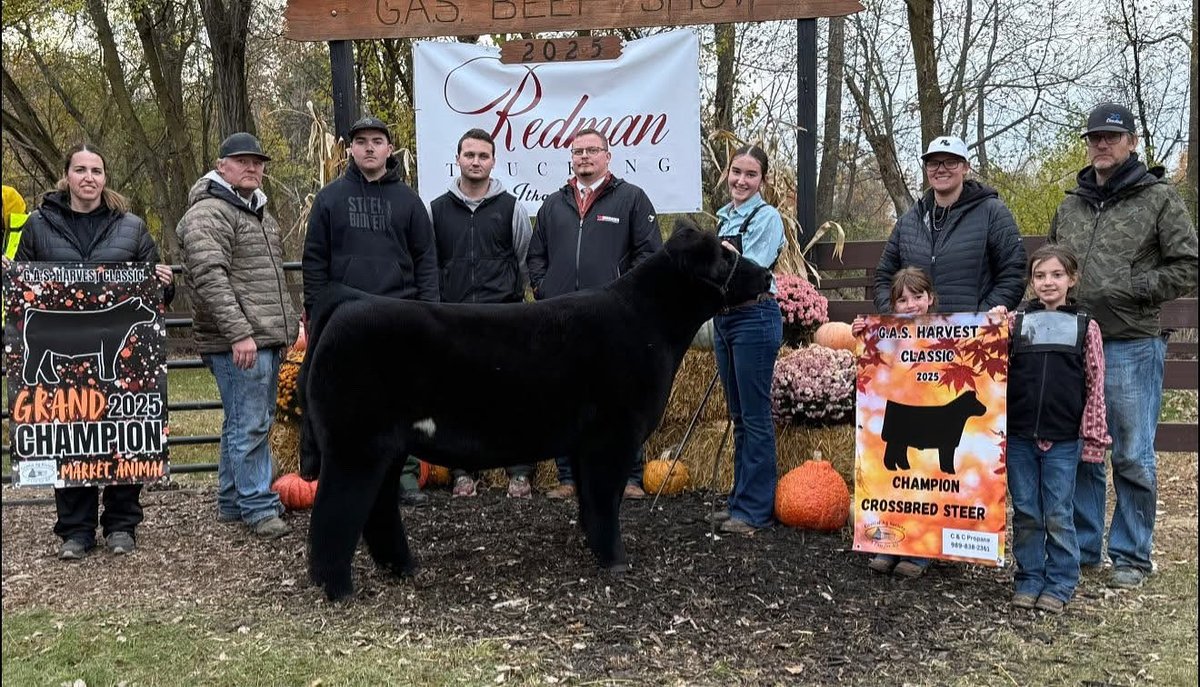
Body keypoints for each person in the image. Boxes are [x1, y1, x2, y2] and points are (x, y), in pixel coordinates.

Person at [1049, 102, 1198, 589]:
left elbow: (1188, 264)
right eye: (1095, 137)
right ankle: (1086, 547)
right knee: (1083, 449)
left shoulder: (1157, 198)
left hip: (1131, 341)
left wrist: (1135, 287)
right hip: (1073, 341)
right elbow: (1053, 264)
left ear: (1131, 142)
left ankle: (1132, 554)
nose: (1102, 144)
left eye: (1112, 137)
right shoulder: (1071, 202)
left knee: (1132, 452)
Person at [12, 143, 174, 559]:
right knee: (67, 435)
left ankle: (122, 524)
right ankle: (76, 530)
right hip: (61, 348)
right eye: (80, 170)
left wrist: (164, 280)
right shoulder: (37, 225)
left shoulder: (132, 227)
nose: (89, 178)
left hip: (119, 363)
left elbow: (158, 293)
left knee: (124, 429)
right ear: (66, 176)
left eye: (96, 171)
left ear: (106, 177)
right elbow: (21, 290)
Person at [302, 115, 439, 506]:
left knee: (398, 404)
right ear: (350, 149)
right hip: (345, 321)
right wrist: (316, 312)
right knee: (347, 405)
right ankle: (343, 482)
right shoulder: (330, 198)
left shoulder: (409, 201)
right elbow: (314, 260)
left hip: (400, 316)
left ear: (389, 149)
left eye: (377, 141)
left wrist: (428, 314)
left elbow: (426, 260)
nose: (369, 148)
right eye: (360, 141)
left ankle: (400, 481)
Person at [529, 127, 662, 501]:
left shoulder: (632, 199)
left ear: (608, 156)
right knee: (563, 398)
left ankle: (630, 477)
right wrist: (544, 289)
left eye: (592, 150)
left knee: (621, 398)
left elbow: (649, 257)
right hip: (562, 318)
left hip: (613, 322)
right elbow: (535, 255)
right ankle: (569, 477)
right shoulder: (554, 204)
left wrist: (626, 300)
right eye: (577, 151)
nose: (584, 156)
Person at [176, 132, 299, 538]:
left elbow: (264, 280)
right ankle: (259, 506)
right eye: (242, 161)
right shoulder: (209, 213)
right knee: (251, 423)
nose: (252, 167)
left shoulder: (256, 212)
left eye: (257, 161)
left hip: (261, 336)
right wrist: (240, 334)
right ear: (222, 166)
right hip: (240, 341)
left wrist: (287, 325)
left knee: (242, 421)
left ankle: (234, 500)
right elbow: (210, 279)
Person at [989, 245, 1109, 613]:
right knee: (1026, 510)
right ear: (1031, 281)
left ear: (1072, 279)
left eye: (1056, 275)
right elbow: (980, 351)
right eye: (1040, 276)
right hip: (1020, 434)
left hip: (1063, 438)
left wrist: (1093, 437)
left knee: (1057, 510)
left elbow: (1095, 383)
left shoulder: (1085, 326)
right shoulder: (1016, 323)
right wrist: (992, 321)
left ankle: (1060, 580)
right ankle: (1029, 577)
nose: (1048, 282)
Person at [428, 128, 534, 499]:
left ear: (493, 161)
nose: (476, 161)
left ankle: (519, 473)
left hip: (502, 318)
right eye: (469, 155)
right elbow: (430, 263)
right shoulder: (436, 210)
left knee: (511, 397)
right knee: (459, 400)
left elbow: (523, 260)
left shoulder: (512, 208)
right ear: (457, 158)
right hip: (453, 319)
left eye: (483, 156)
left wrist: (510, 299)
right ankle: (462, 473)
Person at [705, 145, 785, 534]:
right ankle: (739, 501)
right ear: (727, 173)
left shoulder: (767, 218)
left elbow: (749, 268)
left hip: (755, 315)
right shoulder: (723, 216)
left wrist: (724, 258)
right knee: (737, 417)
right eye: (736, 172)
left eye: (750, 175)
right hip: (726, 319)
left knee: (755, 417)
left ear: (762, 180)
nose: (741, 180)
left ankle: (755, 511)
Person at [873, 135, 1025, 314]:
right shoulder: (909, 221)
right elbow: (883, 278)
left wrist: (981, 318)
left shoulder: (992, 212)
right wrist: (895, 316)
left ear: (965, 167)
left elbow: (1013, 274)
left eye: (951, 162)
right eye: (933, 163)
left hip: (972, 335)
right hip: (917, 337)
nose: (941, 169)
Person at [853, 267, 937, 574]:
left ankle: (920, 553)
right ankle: (888, 545)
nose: (911, 304)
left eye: (918, 296)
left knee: (925, 486)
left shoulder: (950, 333)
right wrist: (863, 333)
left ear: (931, 298)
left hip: (928, 419)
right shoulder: (886, 336)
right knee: (892, 482)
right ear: (893, 304)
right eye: (903, 300)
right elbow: (871, 365)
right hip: (897, 416)